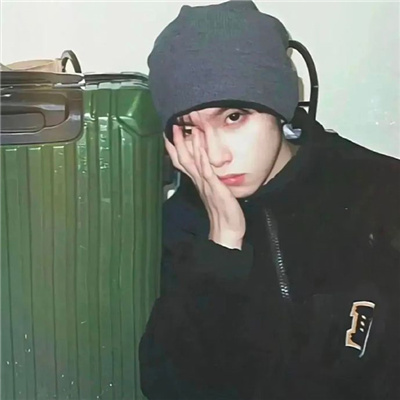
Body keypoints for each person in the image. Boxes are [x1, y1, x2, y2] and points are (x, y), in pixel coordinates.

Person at [139, 1, 400, 399]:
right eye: (189, 129)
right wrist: (222, 247)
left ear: (278, 108)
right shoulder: (182, 222)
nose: (215, 156)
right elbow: (169, 386)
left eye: (233, 117)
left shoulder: (378, 190)